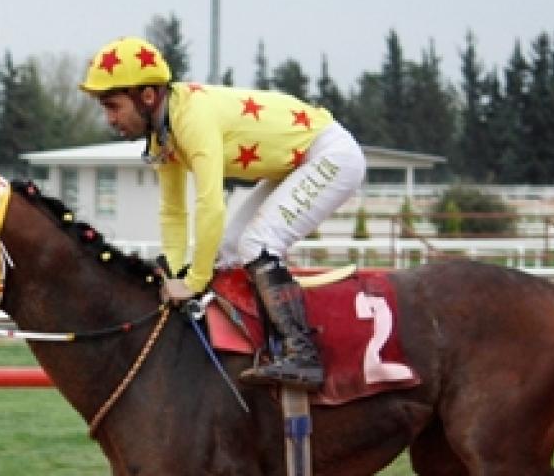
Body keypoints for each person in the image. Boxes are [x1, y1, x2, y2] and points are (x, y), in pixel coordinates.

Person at [80, 36, 366, 392]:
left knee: (258, 243)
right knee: (229, 248)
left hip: (331, 155)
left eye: (113, 106)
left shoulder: (191, 118)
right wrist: (175, 269)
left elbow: (210, 203)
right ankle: (262, 348)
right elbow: (172, 210)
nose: (110, 118)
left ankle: (303, 353)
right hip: (296, 164)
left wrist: (195, 282)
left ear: (148, 96)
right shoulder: (162, 137)